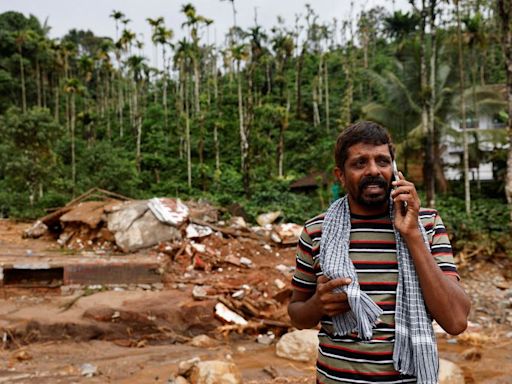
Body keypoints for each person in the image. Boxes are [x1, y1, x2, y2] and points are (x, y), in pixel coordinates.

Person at [288, 121, 470, 384]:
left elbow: (455, 322)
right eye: (360, 163)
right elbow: (296, 315)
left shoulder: (427, 224)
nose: (373, 170)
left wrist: (412, 235)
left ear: (395, 170)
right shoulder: (316, 231)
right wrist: (317, 304)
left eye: (382, 161)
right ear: (340, 174)